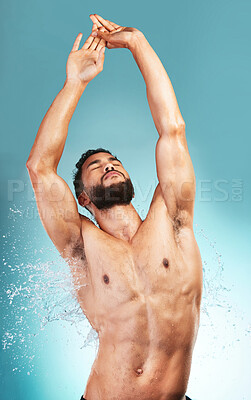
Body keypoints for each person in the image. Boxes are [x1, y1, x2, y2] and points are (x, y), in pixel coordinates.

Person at [26, 13, 203, 400]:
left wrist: (138, 43)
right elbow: (40, 168)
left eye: (113, 162)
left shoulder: (172, 216)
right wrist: (76, 83)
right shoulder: (81, 246)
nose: (108, 165)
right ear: (83, 199)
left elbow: (172, 128)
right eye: (96, 166)